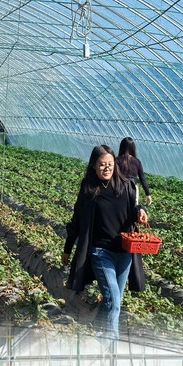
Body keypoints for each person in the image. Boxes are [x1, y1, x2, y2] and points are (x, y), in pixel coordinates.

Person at [61, 144, 148, 339]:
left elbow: (135, 207)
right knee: (114, 300)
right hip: (100, 252)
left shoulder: (126, 185)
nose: (107, 168)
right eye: (102, 164)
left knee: (112, 300)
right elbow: (76, 220)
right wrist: (67, 249)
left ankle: (96, 332)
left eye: (110, 163)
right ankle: (110, 347)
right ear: (93, 165)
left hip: (124, 252)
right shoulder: (89, 189)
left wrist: (141, 210)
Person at [116, 137, 152, 206]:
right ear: (133, 148)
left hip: (119, 188)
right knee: (133, 209)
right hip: (133, 189)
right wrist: (148, 194)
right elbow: (142, 179)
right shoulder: (137, 161)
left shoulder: (117, 160)